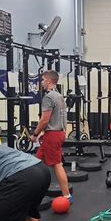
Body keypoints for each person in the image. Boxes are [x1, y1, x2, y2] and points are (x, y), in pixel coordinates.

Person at [30, 70, 71, 202]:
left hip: (53, 135)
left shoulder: (48, 97)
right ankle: (30, 191)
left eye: (42, 80)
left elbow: (44, 120)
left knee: (57, 164)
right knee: (36, 163)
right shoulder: (59, 96)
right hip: (58, 133)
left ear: (48, 81)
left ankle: (67, 195)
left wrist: (35, 134)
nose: (41, 82)